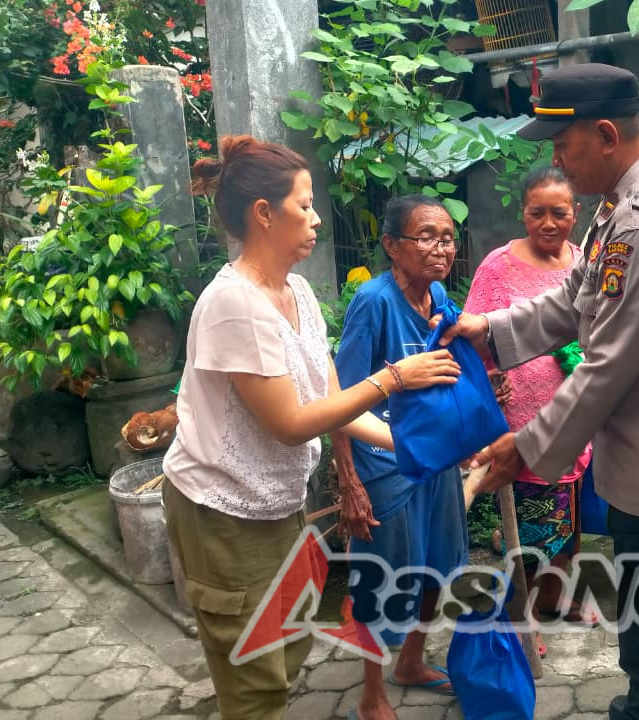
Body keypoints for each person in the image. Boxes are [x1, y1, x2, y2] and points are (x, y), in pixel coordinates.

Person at [439, 63, 639, 720]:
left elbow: (606, 367)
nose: (556, 161)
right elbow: (572, 303)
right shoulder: (620, 208)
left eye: (562, 145)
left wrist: (524, 448)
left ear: (604, 135)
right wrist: (488, 329)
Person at [163, 137, 460, 720]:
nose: (317, 216)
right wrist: (395, 379)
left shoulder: (295, 290)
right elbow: (292, 425)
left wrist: (416, 444)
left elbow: (333, 399)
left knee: (291, 639)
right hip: (223, 512)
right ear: (264, 215)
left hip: (277, 502)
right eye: (304, 204)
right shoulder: (234, 305)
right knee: (256, 675)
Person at [333, 195, 473, 720]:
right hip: (382, 466)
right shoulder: (373, 300)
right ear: (392, 246)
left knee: (438, 565)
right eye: (428, 237)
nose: (442, 248)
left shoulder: (437, 295)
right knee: (379, 581)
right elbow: (340, 398)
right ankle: (372, 698)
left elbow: (454, 366)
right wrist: (349, 480)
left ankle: (411, 662)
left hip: (433, 458)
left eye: (447, 237)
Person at [463, 167, 597, 657]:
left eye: (558, 213)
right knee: (532, 521)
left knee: (570, 512)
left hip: (578, 412)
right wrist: (491, 383)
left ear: (575, 214)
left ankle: (557, 594)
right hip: (521, 419)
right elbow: (476, 339)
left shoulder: (586, 263)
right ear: (522, 213)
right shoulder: (497, 269)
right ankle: (524, 615)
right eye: (536, 212)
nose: (547, 222)